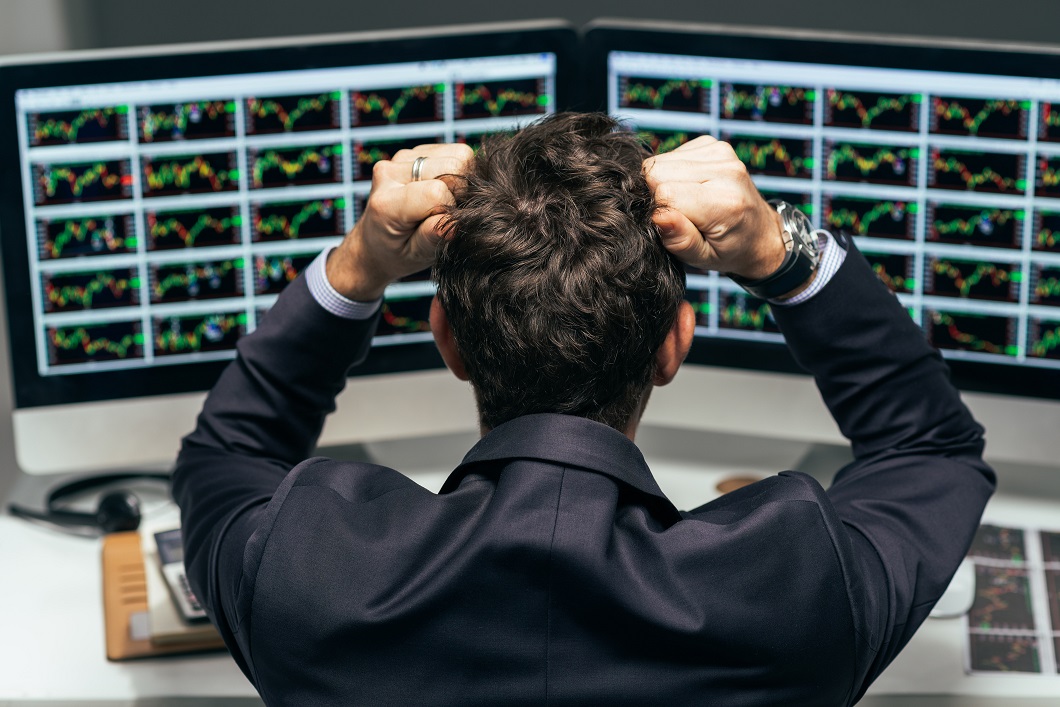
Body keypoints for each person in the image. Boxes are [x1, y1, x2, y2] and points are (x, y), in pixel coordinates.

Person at [172, 112, 995, 706]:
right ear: (674, 347)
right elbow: (931, 452)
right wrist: (783, 255)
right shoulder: (796, 588)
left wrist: (357, 267)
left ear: (446, 341)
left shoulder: (303, 572)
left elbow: (226, 456)